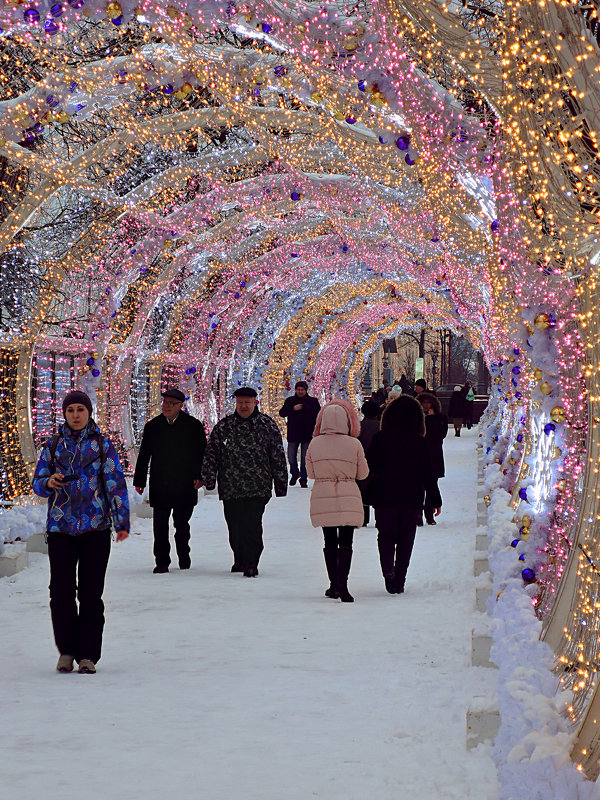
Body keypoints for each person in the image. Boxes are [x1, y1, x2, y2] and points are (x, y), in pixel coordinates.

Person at [32, 390, 130, 674]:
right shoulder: (52, 446)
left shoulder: (102, 445)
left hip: (95, 529)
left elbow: (115, 484)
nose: (75, 415)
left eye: (80, 410)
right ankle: (66, 650)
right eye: (71, 410)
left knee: (90, 593)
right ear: (64, 413)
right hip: (61, 529)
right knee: (60, 592)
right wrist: (49, 482)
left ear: (89, 413)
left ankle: (88, 654)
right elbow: (37, 483)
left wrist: (121, 521)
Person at [201, 387, 288, 577]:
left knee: (252, 525)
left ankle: (251, 562)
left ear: (255, 402)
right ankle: (239, 558)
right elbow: (212, 454)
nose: (243, 406)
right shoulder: (225, 426)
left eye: (247, 402)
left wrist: (280, 483)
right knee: (235, 526)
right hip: (231, 487)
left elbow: (277, 455)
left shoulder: (267, 425)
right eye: (240, 402)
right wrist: (208, 478)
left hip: (258, 486)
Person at [366, 395, 441, 595]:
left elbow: (369, 467)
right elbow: (428, 473)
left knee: (386, 536)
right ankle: (400, 577)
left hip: (384, 495)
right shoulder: (419, 442)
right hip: (411, 496)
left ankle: (388, 572)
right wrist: (434, 498)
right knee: (407, 538)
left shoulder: (380, 439)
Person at [133, 388, 207, 573]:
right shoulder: (153, 426)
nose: (166, 406)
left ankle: (184, 556)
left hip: (185, 482)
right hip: (161, 481)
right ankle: (162, 561)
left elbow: (202, 454)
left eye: (171, 404)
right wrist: (140, 479)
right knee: (160, 525)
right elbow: (144, 455)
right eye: (164, 403)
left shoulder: (193, 426)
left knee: (182, 524)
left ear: (181, 406)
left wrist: (201, 476)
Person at [306, 399, 369, 603]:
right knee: (347, 541)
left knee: (329, 540)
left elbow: (311, 472)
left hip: (323, 494)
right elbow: (363, 473)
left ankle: (333, 584)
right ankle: (344, 584)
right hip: (348, 493)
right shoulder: (354, 444)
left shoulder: (315, 443)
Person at [278, 380, 321, 487]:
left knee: (304, 459)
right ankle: (294, 473)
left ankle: (303, 479)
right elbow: (282, 413)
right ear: (295, 390)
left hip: (307, 434)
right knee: (291, 457)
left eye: (302, 390)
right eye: (298, 389)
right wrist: (293, 409)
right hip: (293, 433)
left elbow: (318, 414)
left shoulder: (313, 401)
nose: (300, 391)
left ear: (306, 390)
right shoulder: (290, 401)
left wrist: (307, 409)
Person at [417, 392, 448, 525]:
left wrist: (431, 419)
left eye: (428, 402)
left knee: (431, 486)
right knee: (418, 487)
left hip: (434, 456)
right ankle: (417, 515)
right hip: (419, 455)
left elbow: (440, 434)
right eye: (423, 402)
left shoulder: (440, 417)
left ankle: (429, 515)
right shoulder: (416, 418)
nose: (425, 405)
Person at [357, 400, 380, 527]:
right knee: (377, 489)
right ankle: (378, 518)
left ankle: (364, 518)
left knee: (362, 489)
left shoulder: (358, 427)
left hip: (362, 461)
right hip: (378, 463)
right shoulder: (381, 426)